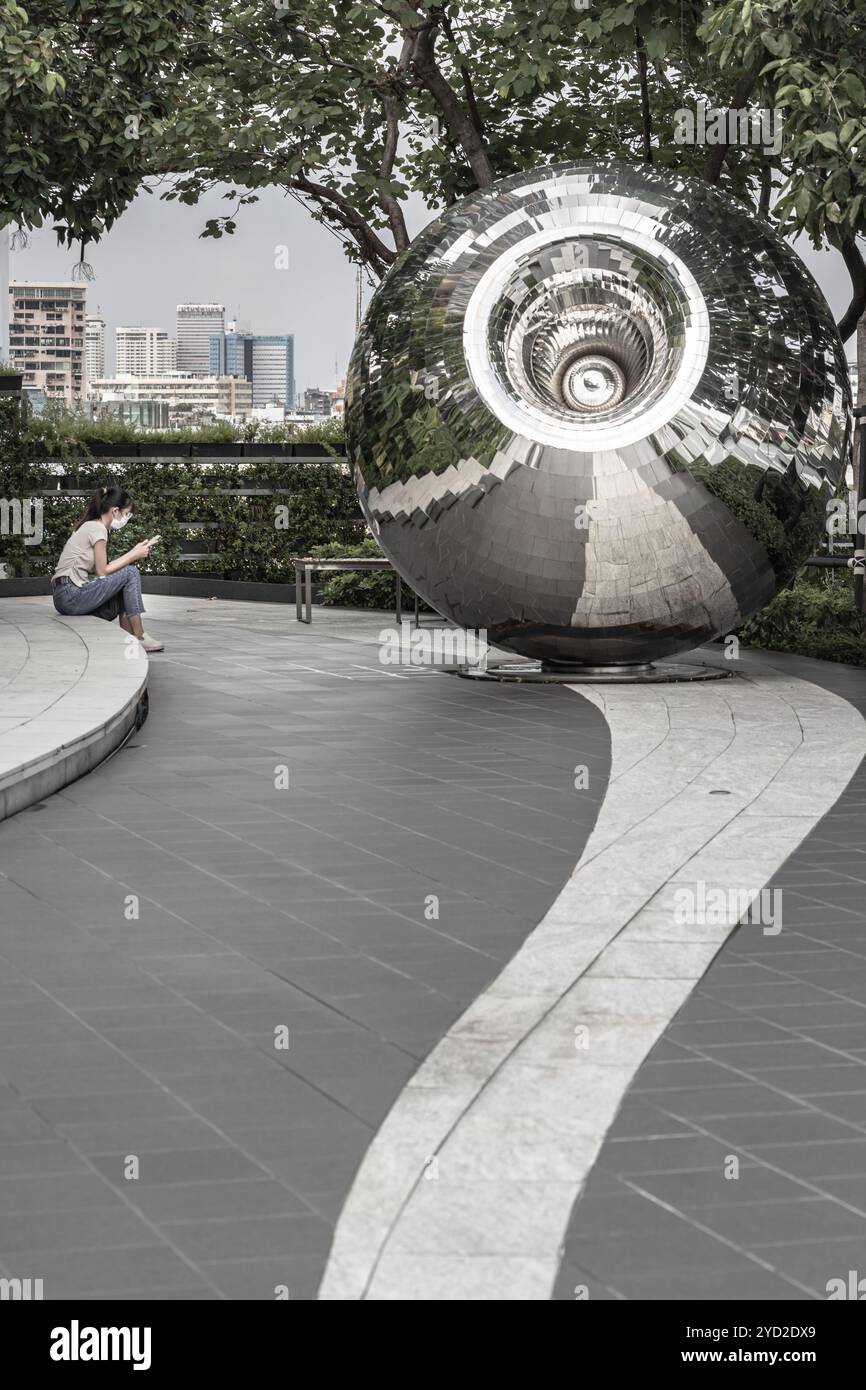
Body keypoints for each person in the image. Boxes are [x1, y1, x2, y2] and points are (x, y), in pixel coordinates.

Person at [51, 487, 164, 653]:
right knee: (131, 572)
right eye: (127, 514)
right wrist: (134, 554)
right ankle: (139, 635)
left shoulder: (91, 526)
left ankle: (129, 639)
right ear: (115, 511)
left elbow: (107, 571)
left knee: (124, 583)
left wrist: (134, 552)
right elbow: (102, 571)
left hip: (66, 595)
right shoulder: (98, 529)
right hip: (70, 595)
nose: (127, 519)